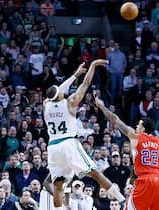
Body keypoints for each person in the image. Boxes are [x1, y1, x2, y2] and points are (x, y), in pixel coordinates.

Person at [43, 59, 124, 210]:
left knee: (58, 184)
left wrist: (74, 75)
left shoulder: (46, 105)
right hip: (68, 143)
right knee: (94, 172)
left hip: (53, 146)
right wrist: (92, 66)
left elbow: (54, 93)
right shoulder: (70, 102)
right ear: (59, 94)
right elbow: (85, 84)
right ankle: (121, 200)